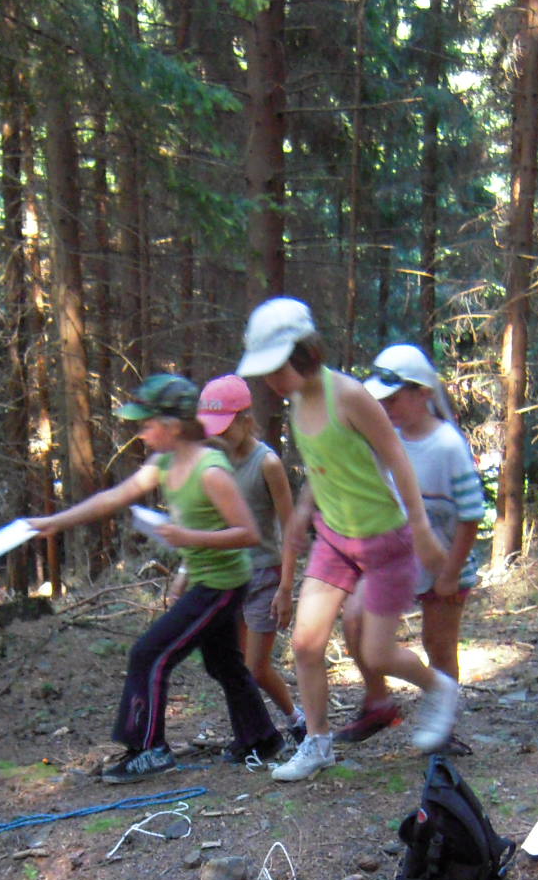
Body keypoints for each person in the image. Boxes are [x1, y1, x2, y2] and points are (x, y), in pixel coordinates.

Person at [234, 298, 459, 783]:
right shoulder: (298, 403)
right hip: (335, 540)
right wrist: (304, 511)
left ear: (304, 353)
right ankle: (318, 743)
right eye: (265, 373)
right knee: (305, 643)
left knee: (377, 654)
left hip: (385, 541)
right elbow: (324, 465)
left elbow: (397, 458)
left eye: (276, 369)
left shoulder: (350, 396)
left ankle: (439, 688)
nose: (271, 382)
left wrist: (421, 529)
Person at [25, 374, 280, 784]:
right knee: (223, 663)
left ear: (173, 426)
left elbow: (249, 533)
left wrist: (188, 538)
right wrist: (57, 521)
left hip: (223, 584)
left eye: (147, 424)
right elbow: (113, 497)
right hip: (208, 578)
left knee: (149, 653)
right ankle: (262, 738)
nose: (141, 433)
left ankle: (150, 749)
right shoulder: (165, 463)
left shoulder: (211, 471)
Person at [333, 343, 486, 751]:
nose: (386, 408)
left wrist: (450, 573)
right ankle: (378, 701)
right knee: (355, 619)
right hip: (395, 557)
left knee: (439, 644)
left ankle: (443, 726)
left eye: (394, 399)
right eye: (380, 401)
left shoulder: (448, 446)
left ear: (423, 393)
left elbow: (470, 515)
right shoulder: (389, 438)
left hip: (444, 563)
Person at [196, 373, 305, 744]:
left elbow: (290, 529)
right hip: (229, 576)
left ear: (245, 419)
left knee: (256, 667)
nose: (218, 436)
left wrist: (286, 588)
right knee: (235, 666)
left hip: (263, 575)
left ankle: (296, 719)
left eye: (225, 427)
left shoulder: (267, 463)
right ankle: (254, 733)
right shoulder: (214, 462)